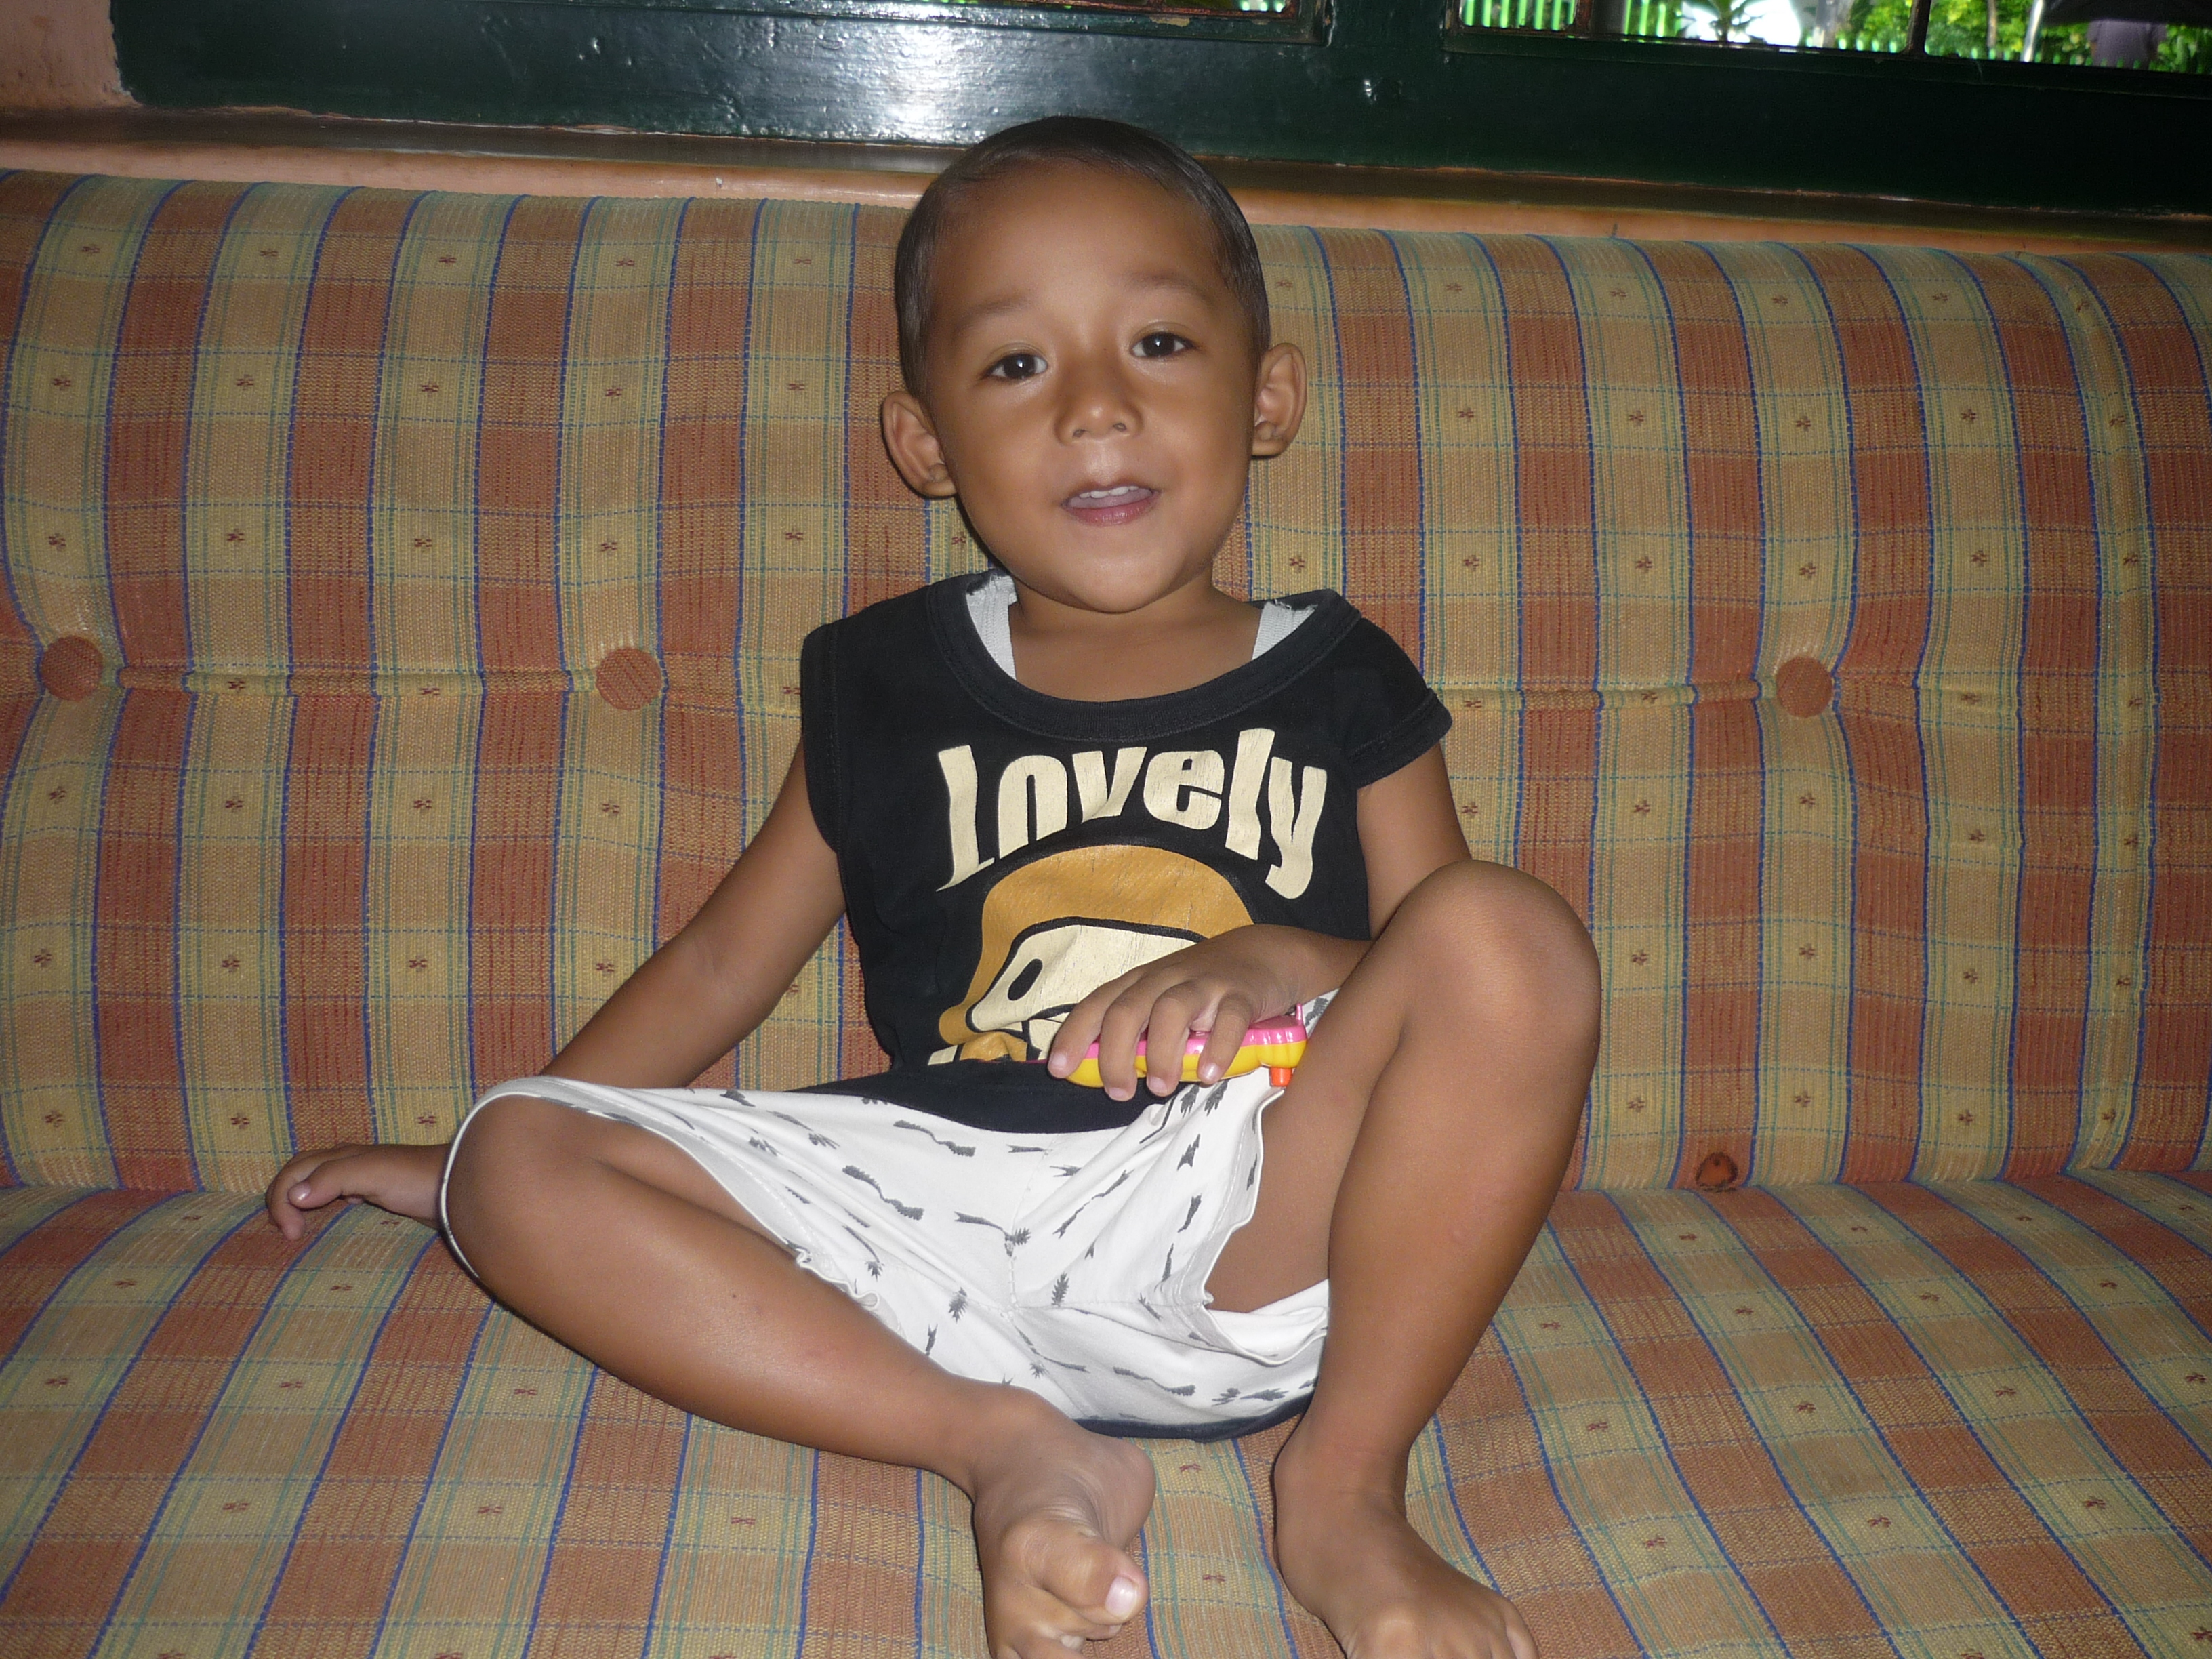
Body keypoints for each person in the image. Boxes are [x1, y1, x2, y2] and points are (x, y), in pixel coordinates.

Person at [266, 116, 1600, 1659]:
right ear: (925, 444)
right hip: (932, 1222)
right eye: (1017, 365)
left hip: (1254, 1201)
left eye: (1159, 342)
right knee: (517, 1158)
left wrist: (1276, 958)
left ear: (1268, 396)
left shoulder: (1341, 672)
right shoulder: (886, 679)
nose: (1095, 406)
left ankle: (1347, 1488)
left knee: (1511, 932)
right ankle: (1007, 1451)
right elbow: (722, 966)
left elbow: (1445, 980)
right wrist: (470, 1156)